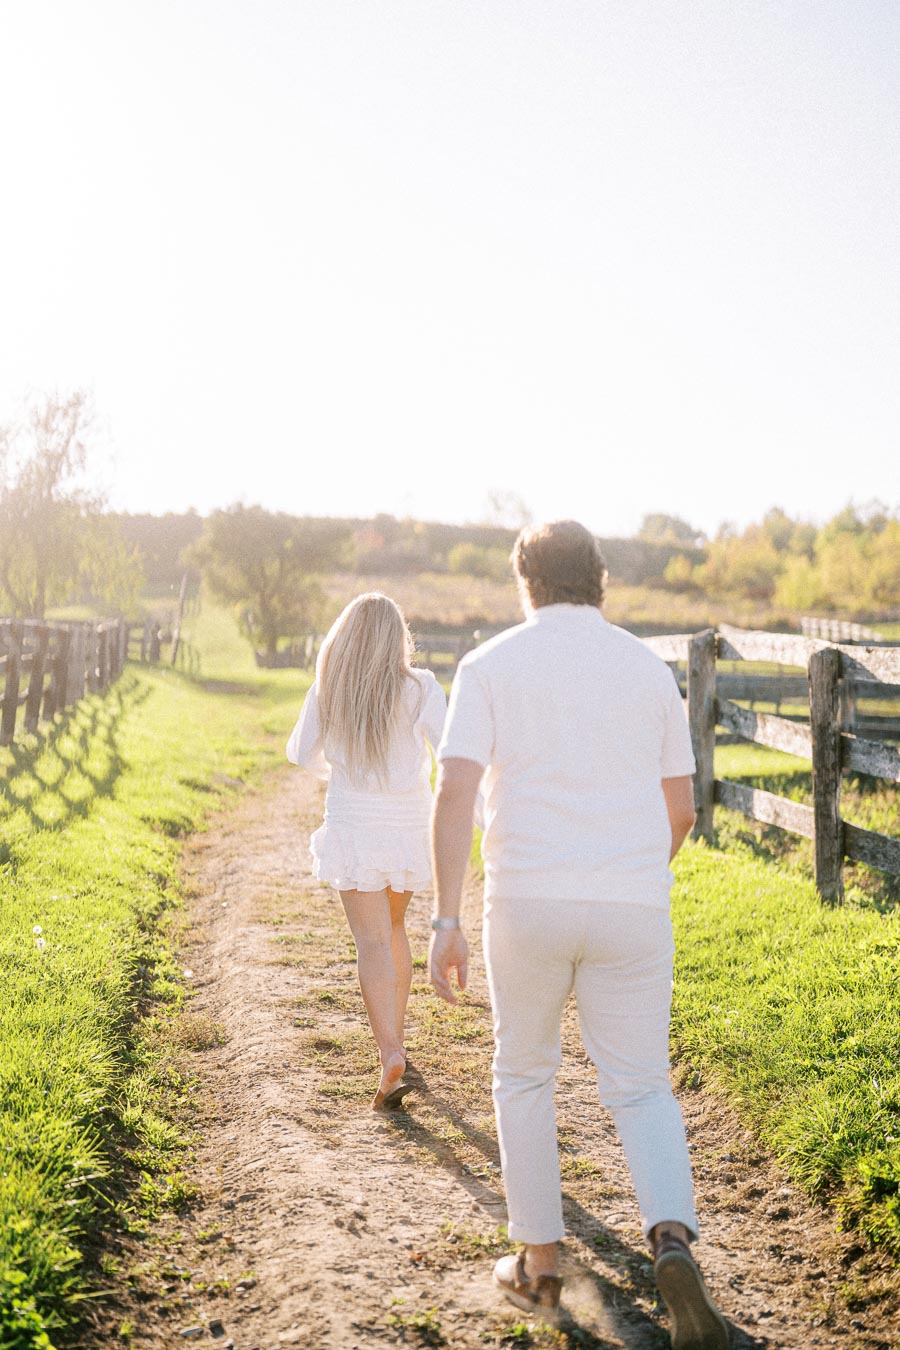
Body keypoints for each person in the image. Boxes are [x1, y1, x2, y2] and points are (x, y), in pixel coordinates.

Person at [429, 522, 728, 1350]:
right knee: (640, 1087)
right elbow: (682, 810)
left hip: (526, 899)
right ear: (599, 579)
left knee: (524, 1073)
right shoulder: (646, 668)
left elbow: (454, 794)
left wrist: (447, 917)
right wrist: (630, 870)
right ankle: (671, 1242)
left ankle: (540, 1263)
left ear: (525, 582)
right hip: (633, 903)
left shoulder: (489, 666)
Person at [287, 592, 447, 1110]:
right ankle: (396, 1044)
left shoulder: (329, 688)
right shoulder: (421, 688)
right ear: (398, 639)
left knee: (372, 942)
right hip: (407, 826)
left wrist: (337, 772)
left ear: (345, 637)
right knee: (395, 930)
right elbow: (449, 750)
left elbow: (299, 752)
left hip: (355, 825)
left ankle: (390, 1053)